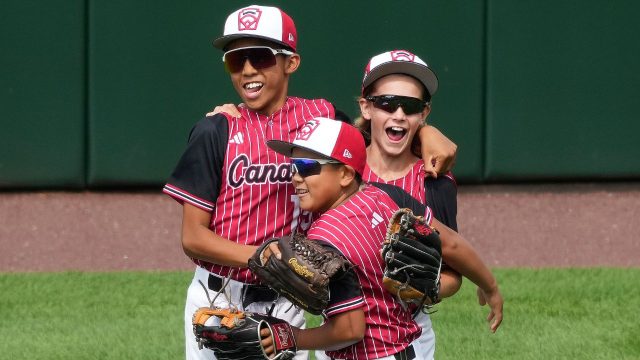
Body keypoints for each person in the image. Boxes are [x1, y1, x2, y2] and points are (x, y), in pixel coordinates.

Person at [163, 5, 457, 360]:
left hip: (290, 303)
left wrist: (426, 132)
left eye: (260, 57)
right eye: (235, 60)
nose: (248, 70)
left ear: (291, 62)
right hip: (218, 298)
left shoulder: (322, 118)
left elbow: (377, 139)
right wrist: (269, 258)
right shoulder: (215, 129)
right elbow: (193, 238)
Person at [262, 117, 503, 359]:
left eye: (306, 166)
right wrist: (489, 286)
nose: (295, 176)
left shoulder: (324, 238)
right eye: (292, 166)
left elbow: (349, 330)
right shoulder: (387, 196)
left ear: (345, 174)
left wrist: (291, 337)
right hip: (411, 347)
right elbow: (450, 243)